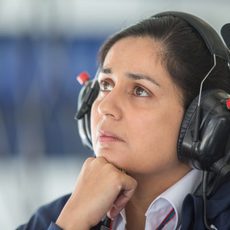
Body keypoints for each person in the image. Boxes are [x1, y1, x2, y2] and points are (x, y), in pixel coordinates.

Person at [17, 11, 230, 230]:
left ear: (203, 119)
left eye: (140, 91)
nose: (105, 107)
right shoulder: (59, 217)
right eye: (106, 85)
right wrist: (71, 224)